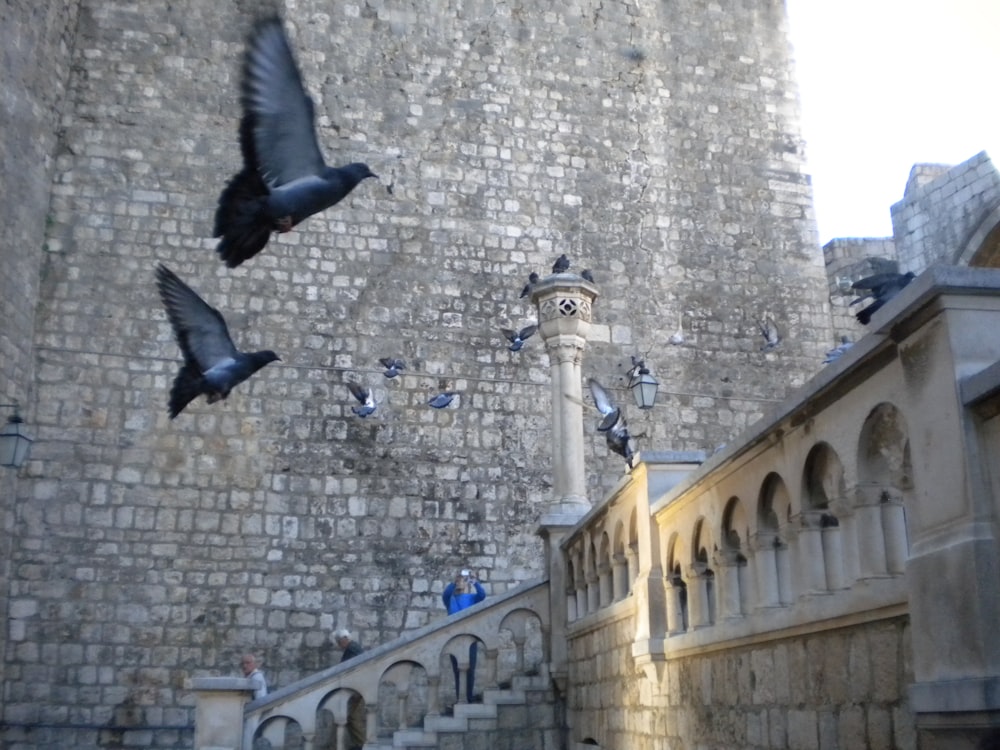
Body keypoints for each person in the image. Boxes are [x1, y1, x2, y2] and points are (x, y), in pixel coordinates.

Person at [442, 569, 486, 703]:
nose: (460, 582)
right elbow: (446, 594)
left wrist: (474, 581)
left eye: (462, 580)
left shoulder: (471, 598)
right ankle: (460, 698)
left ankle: (469, 696)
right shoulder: (450, 599)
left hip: (470, 637)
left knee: (470, 669)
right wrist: (454, 581)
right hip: (454, 639)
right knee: (457, 670)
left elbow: (482, 595)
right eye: (459, 580)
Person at [333, 628, 365, 750]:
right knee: (350, 717)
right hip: (356, 687)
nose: (339, 645)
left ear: (344, 639)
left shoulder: (352, 648)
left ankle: (362, 744)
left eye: (339, 642)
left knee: (350, 717)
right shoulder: (353, 648)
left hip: (356, 688)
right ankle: (359, 743)